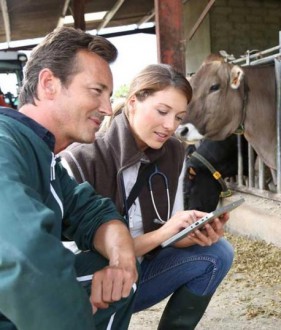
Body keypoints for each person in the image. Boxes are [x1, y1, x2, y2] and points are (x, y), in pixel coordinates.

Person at [60, 64, 234, 329]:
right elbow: (79, 257)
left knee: (218, 252)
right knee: (111, 263)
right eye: (162, 111)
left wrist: (185, 236)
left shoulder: (174, 152)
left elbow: (166, 225)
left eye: (178, 117)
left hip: (141, 272)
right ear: (133, 103)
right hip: (90, 286)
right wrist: (164, 234)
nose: (170, 126)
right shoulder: (81, 159)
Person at [0, 27, 139, 329]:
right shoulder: (4, 141)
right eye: (96, 91)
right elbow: (22, 254)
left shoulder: (44, 155)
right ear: (49, 83)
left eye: (109, 96)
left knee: (113, 277)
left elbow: (93, 212)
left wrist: (122, 261)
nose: (106, 108)